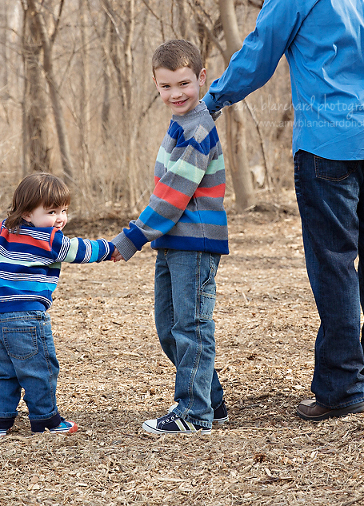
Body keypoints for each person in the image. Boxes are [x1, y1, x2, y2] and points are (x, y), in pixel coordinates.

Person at [201, 0, 364, 421]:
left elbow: (259, 54)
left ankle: (342, 387)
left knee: (335, 260)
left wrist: (210, 103)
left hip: (330, 145)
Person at [111, 40, 229, 434]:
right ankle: (210, 399)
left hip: (194, 241)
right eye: (165, 87)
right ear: (155, 84)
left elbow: (174, 192)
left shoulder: (197, 127)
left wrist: (133, 236)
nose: (175, 94)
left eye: (183, 84)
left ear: (201, 78)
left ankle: (194, 413)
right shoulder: (181, 123)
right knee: (169, 325)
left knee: (191, 326)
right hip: (174, 241)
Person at [0, 173, 114, 437]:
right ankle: (46, 419)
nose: (60, 218)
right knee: (39, 370)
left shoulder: (3, 231)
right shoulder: (50, 240)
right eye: (51, 211)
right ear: (26, 213)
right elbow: (83, 250)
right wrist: (112, 248)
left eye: (63, 210)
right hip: (28, 318)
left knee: (5, 371)